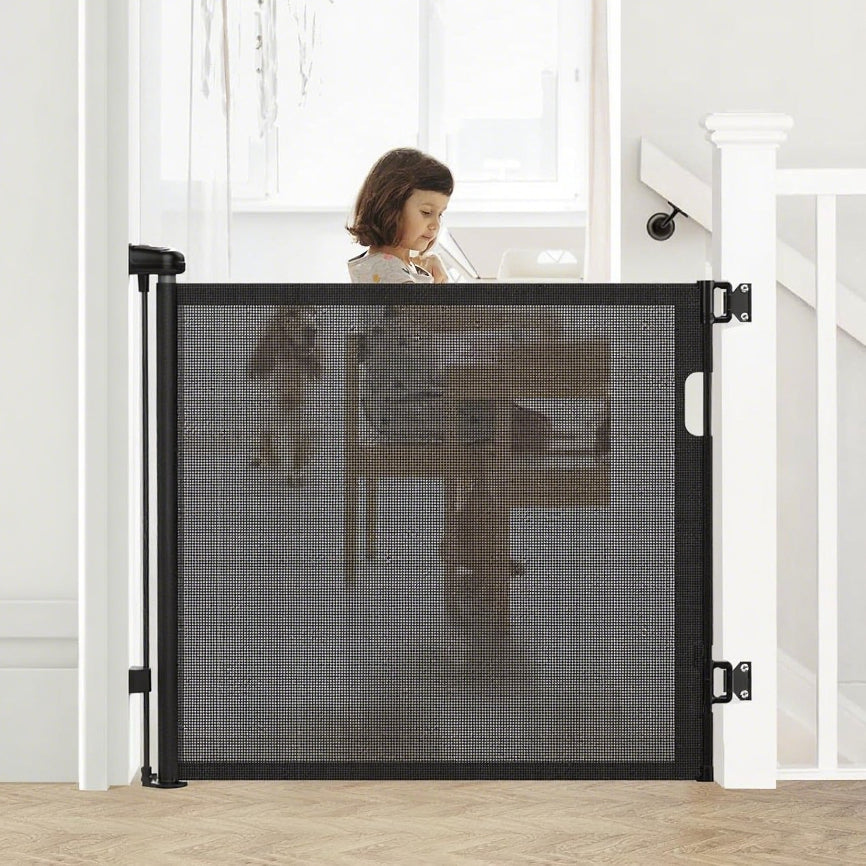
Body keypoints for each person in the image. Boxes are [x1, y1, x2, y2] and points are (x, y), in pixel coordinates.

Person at [346, 148, 551, 585]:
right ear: (389, 204)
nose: (434, 225)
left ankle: (468, 534)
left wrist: (434, 281)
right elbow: (442, 337)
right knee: (523, 428)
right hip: (407, 409)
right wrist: (442, 287)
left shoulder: (395, 270)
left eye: (440, 215)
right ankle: (472, 538)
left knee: (516, 427)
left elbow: (436, 337)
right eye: (425, 212)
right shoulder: (387, 275)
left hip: (424, 401)